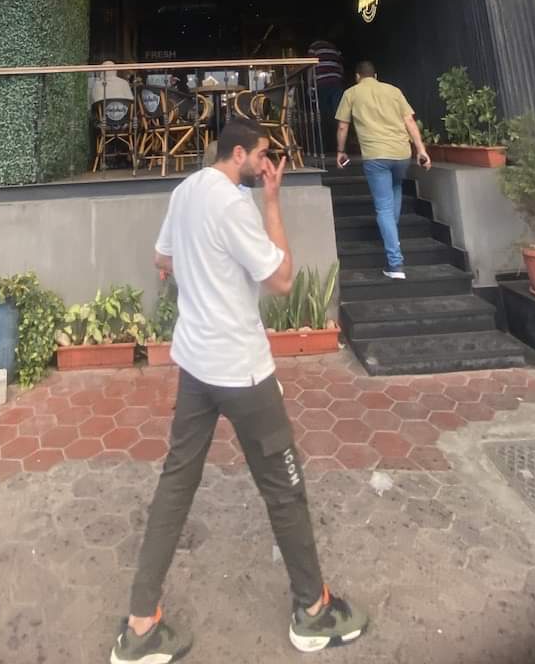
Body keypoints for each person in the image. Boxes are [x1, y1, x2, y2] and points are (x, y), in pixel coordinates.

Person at [111, 118, 369, 662]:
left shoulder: (185, 191)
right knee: (284, 488)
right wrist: (272, 202)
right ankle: (313, 611)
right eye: (262, 154)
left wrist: (198, 270)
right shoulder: (234, 204)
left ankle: (140, 624)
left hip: (195, 365)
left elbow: (163, 260)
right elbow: (282, 280)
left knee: (175, 483)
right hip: (243, 372)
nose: (267, 163)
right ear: (237, 154)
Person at [334, 61, 430, 280]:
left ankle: (395, 264)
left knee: (384, 208)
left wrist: (340, 151)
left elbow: (342, 126)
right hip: (401, 154)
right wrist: (421, 150)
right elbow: (409, 121)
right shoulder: (394, 91)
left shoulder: (351, 93)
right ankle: (391, 235)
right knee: (395, 188)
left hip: (376, 156)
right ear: (375, 75)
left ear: (357, 76)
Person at [307, 37, 345, 150]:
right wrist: (340, 79)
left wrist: (309, 85)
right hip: (336, 83)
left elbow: (310, 66)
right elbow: (341, 66)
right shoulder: (334, 48)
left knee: (321, 116)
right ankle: (340, 145)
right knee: (338, 115)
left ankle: (321, 147)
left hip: (321, 83)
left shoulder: (314, 47)